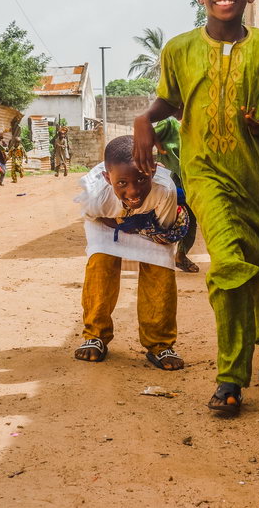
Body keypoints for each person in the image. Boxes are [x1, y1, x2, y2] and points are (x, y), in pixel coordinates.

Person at [133, 0, 259, 417]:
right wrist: (145, 117)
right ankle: (230, 377)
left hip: (258, 174)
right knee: (228, 265)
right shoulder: (178, 50)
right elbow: (168, 99)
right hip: (206, 173)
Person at [74, 135, 190, 371]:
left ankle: (159, 343)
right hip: (105, 224)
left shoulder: (164, 190)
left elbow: (164, 228)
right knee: (101, 264)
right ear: (108, 178)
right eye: (122, 183)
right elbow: (94, 219)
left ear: (153, 170)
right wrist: (123, 221)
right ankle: (95, 335)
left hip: (151, 226)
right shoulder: (97, 195)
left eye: (141, 179)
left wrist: (141, 225)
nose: (134, 190)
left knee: (160, 271)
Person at [153, 117, 200, 273]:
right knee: (163, 220)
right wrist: (149, 161)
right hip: (170, 181)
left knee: (191, 220)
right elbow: (145, 137)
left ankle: (180, 255)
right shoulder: (168, 123)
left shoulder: (193, 125)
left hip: (190, 181)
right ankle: (155, 259)